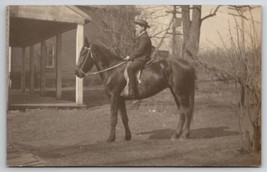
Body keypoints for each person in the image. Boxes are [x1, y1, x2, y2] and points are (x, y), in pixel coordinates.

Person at [125, 19, 152, 99]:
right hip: (139, 58)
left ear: (143, 27)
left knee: (130, 68)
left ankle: (132, 90)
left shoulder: (144, 38)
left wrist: (130, 57)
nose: (136, 28)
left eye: (137, 27)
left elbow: (140, 51)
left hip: (142, 59)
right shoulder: (141, 37)